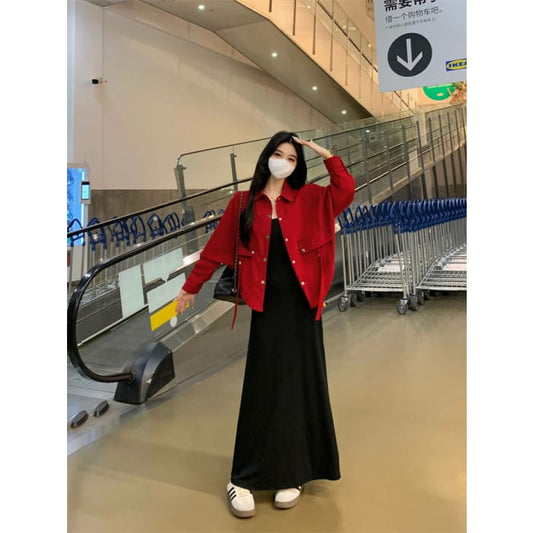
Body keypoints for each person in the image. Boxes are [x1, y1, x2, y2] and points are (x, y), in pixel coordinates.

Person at [174, 131, 355, 518]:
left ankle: (294, 472)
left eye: (292, 158)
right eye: (278, 154)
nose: (284, 162)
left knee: (301, 386)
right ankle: (242, 477)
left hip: (304, 309)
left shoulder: (311, 198)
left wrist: (326, 155)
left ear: (297, 165)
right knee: (263, 387)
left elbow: (345, 191)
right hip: (267, 310)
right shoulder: (242, 203)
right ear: (266, 157)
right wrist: (191, 287)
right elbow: (215, 251)